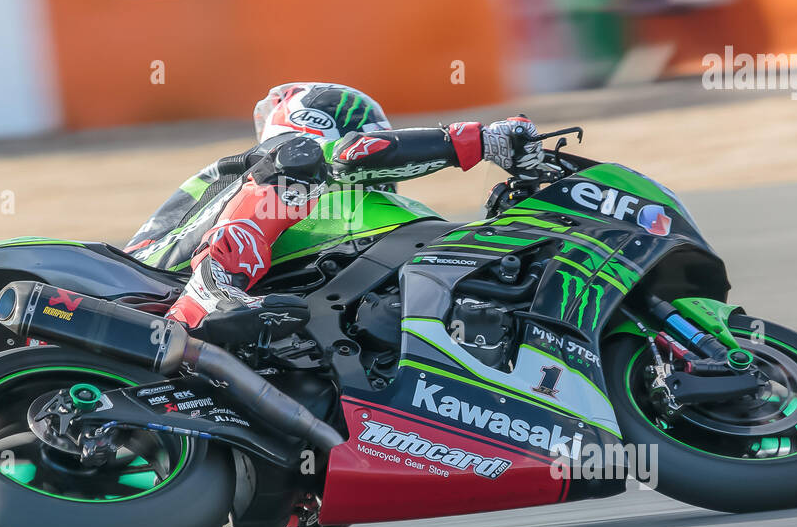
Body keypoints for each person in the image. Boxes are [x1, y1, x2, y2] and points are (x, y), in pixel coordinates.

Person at [124, 83, 544, 339]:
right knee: (299, 163)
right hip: (152, 281)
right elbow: (348, 155)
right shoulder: (284, 158)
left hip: (200, 296)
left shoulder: (315, 207)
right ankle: (211, 288)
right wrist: (478, 141)